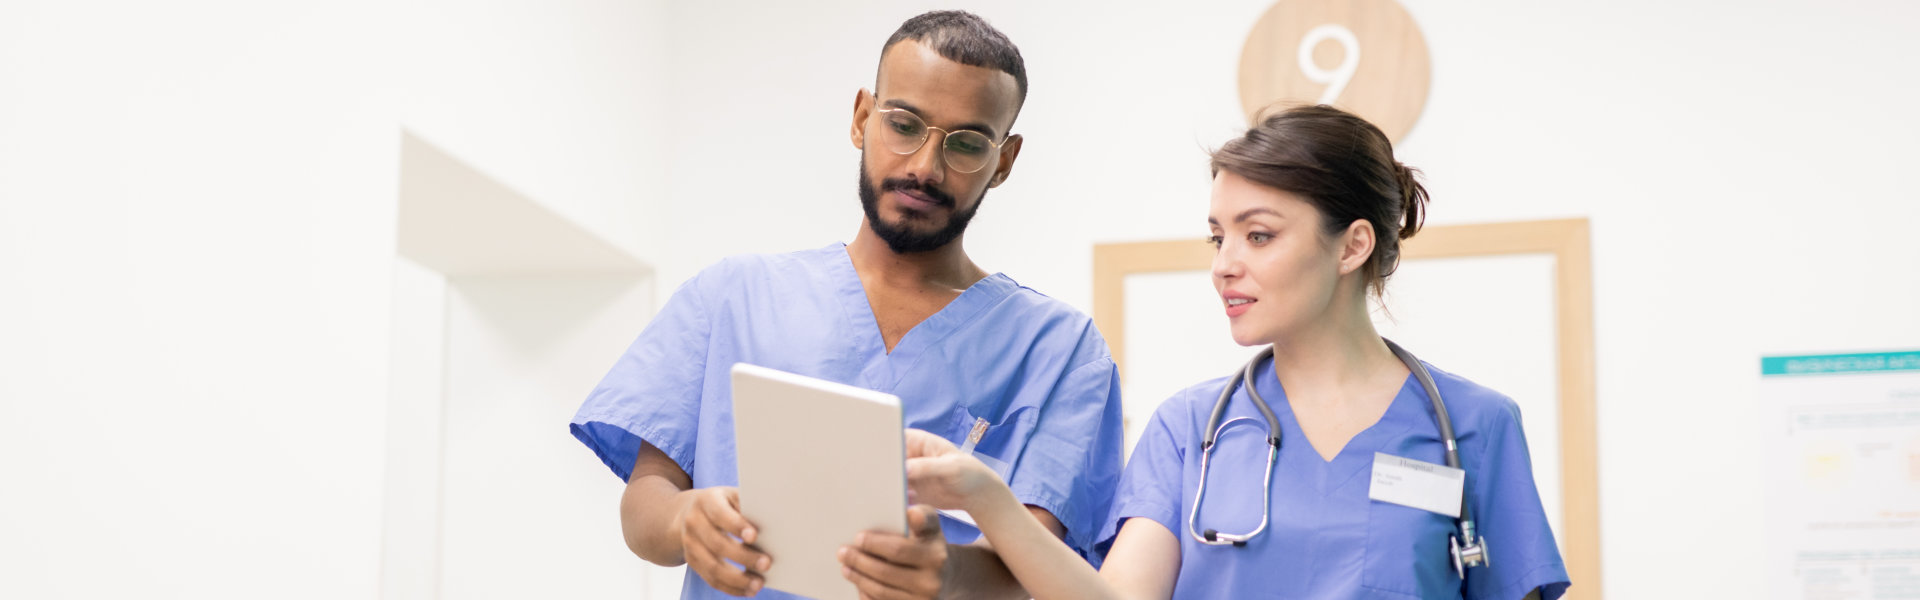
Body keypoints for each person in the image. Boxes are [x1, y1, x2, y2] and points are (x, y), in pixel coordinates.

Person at [895, 105, 1571, 599]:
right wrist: (985, 496)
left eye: (1259, 235)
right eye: (1218, 237)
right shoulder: (1190, 431)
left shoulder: (1476, 428)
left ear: (1353, 245)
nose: (1224, 264)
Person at [569, 10, 1124, 600]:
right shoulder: (732, 297)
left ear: (1004, 161)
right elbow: (646, 505)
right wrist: (688, 521)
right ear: (862, 117)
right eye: (905, 125)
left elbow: (1040, 570)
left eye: (965, 144)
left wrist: (948, 573)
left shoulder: (1060, 351)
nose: (924, 168)